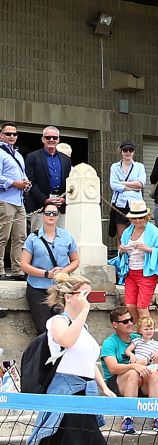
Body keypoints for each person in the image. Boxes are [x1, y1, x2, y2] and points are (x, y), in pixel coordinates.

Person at [23, 274, 126, 445]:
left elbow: (90, 363)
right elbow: (65, 341)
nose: (88, 299)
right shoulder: (57, 321)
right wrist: (83, 311)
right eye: (84, 294)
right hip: (68, 398)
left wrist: (103, 388)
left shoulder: (84, 328)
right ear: (69, 297)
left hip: (84, 395)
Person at [100, 306, 158, 434]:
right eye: (125, 322)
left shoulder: (138, 337)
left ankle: (157, 416)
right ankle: (127, 418)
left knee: (154, 372)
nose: (130, 323)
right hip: (117, 383)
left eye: (130, 319)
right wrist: (134, 366)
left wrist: (146, 361)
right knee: (132, 373)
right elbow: (113, 368)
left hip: (140, 381)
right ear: (115, 325)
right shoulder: (109, 343)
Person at [20, 204, 79, 333]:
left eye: (54, 213)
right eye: (48, 213)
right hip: (38, 288)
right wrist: (46, 274)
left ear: (58, 216)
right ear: (42, 216)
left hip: (60, 288)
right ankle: (44, 353)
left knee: (63, 328)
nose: (51, 216)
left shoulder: (67, 236)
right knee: (43, 330)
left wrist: (63, 272)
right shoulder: (33, 238)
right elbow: (24, 265)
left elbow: (75, 260)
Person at [116, 200, 158, 326]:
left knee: (142, 307)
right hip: (131, 273)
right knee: (130, 305)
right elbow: (121, 252)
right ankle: (137, 332)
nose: (138, 220)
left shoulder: (153, 231)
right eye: (135, 218)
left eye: (140, 218)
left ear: (146, 217)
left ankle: (147, 336)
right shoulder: (128, 231)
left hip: (147, 273)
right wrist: (122, 250)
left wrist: (147, 249)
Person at [24, 126, 71, 233]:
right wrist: (44, 200)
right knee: (38, 236)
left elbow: (70, 182)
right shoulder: (32, 157)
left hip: (61, 203)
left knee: (60, 236)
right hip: (39, 203)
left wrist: (65, 199)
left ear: (58, 140)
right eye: (48, 137)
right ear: (43, 139)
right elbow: (30, 181)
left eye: (54, 137)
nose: (51, 140)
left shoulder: (66, 159)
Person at [0, 122, 29, 278]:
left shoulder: (17, 154)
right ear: (1, 135)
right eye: (8, 134)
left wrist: (26, 182)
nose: (12, 137)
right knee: (2, 236)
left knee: (20, 236)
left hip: (19, 200)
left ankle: (17, 270)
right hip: (4, 199)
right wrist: (13, 183)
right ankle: (0, 270)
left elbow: (22, 175)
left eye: (14, 134)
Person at [108, 140, 146, 254]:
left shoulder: (139, 166)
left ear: (134, 152)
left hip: (136, 205)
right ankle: (122, 260)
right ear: (121, 152)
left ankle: (135, 257)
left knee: (138, 233)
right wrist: (132, 185)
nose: (128, 152)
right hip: (120, 204)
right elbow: (113, 185)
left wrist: (123, 183)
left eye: (130, 150)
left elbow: (141, 184)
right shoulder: (115, 166)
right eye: (125, 150)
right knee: (121, 235)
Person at [126, 316, 158, 382]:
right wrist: (132, 355)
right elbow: (127, 351)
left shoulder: (156, 344)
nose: (149, 331)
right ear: (140, 331)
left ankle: (156, 387)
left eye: (151, 329)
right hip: (139, 361)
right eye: (146, 329)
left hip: (152, 365)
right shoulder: (137, 341)